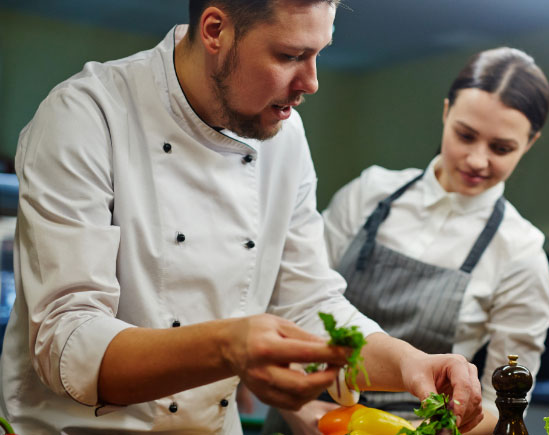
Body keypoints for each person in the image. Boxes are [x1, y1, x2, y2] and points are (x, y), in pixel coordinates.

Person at [0, 0, 484, 433]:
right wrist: (230, 347)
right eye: (291, 56)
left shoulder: (285, 135)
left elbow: (309, 302)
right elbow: (66, 342)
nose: (312, 82)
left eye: (319, 53)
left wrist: (409, 363)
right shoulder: (87, 116)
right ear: (215, 30)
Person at [266, 47, 549, 434]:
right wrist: (300, 412)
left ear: (531, 142)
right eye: (465, 135)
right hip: (304, 411)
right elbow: (292, 301)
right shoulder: (369, 194)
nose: (476, 159)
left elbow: (499, 405)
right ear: (445, 112)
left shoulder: (521, 252)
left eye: (501, 148)